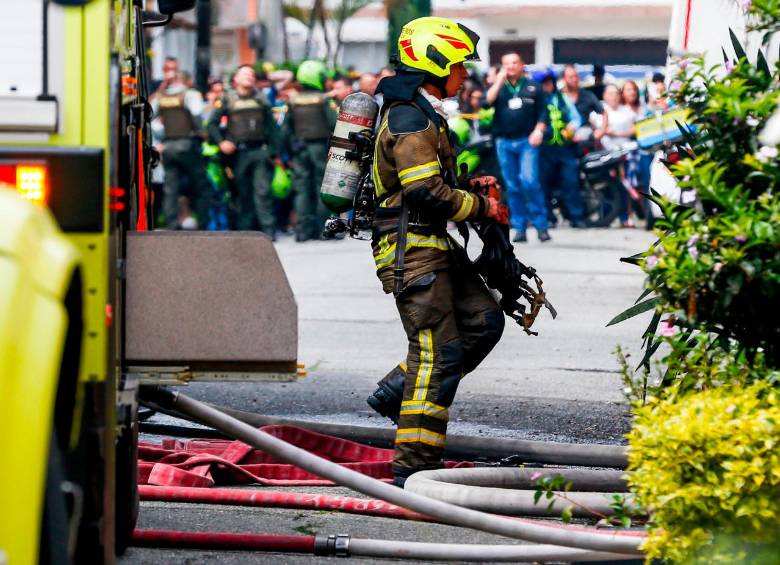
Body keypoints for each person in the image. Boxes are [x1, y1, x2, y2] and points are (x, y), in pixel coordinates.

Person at [364, 17, 505, 488]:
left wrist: (469, 187)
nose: (466, 75)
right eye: (460, 65)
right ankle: (415, 465)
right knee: (435, 354)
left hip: (433, 244)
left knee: (484, 321)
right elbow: (423, 191)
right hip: (412, 251)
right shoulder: (408, 116)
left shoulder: (423, 113)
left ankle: (393, 394)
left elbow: (434, 185)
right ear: (435, 62)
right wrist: (482, 206)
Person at [207, 64, 280, 236]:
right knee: (242, 194)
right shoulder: (228, 99)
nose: (249, 76)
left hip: (259, 151)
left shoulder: (262, 99)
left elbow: (273, 128)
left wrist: (273, 152)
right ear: (236, 79)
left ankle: (268, 232)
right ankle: (245, 233)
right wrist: (221, 143)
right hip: (238, 154)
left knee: (263, 192)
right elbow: (212, 124)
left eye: (252, 74)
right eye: (245, 74)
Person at [485, 52, 550, 242]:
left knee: (530, 181)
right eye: (506, 63)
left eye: (514, 62)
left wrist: (538, 130)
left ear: (522, 65)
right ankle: (520, 227)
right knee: (512, 186)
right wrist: (498, 81)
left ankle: (541, 226)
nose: (510, 66)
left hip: (526, 141)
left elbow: (543, 114)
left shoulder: (533, 87)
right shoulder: (499, 87)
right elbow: (487, 102)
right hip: (504, 142)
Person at [282, 60, 337, 241]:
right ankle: (323, 229)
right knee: (322, 188)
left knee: (302, 189)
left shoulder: (293, 101)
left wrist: (290, 148)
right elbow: (333, 124)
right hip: (319, 148)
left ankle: (303, 231)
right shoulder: (323, 99)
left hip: (300, 149)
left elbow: (286, 129)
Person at [151, 70, 212, 229]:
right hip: (187, 145)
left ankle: (172, 223)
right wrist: (203, 132)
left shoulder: (161, 97)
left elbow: (149, 118)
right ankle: (203, 223)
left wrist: (159, 137)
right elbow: (198, 114)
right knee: (201, 186)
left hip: (168, 147)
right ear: (187, 81)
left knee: (171, 188)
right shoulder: (189, 94)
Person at [533, 68, 586, 228]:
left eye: (549, 82)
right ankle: (549, 218)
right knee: (544, 184)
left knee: (571, 182)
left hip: (565, 148)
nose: (547, 85)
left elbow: (576, 118)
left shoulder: (563, 98)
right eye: (544, 82)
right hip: (544, 149)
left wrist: (572, 126)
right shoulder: (535, 100)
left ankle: (576, 217)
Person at [561, 64, 607, 143]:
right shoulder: (558, 97)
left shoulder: (587, 95)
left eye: (576, 76)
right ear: (564, 79)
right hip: (563, 139)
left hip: (584, 140)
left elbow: (604, 113)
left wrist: (601, 130)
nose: (574, 79)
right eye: (570, 77)